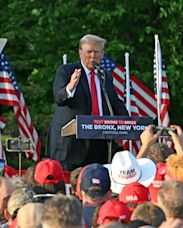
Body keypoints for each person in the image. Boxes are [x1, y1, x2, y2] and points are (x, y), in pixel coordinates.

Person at [46, 34, 129, 170]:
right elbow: (59, 98)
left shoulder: (104, 75)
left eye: (96, 52)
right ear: (80, 53)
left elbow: (114, 102)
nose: (92, 56)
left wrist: (130, 123)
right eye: (89, 52)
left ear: (102, 54)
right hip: (70, 144)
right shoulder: (66, 71)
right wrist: (70, 87)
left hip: (99, 143)